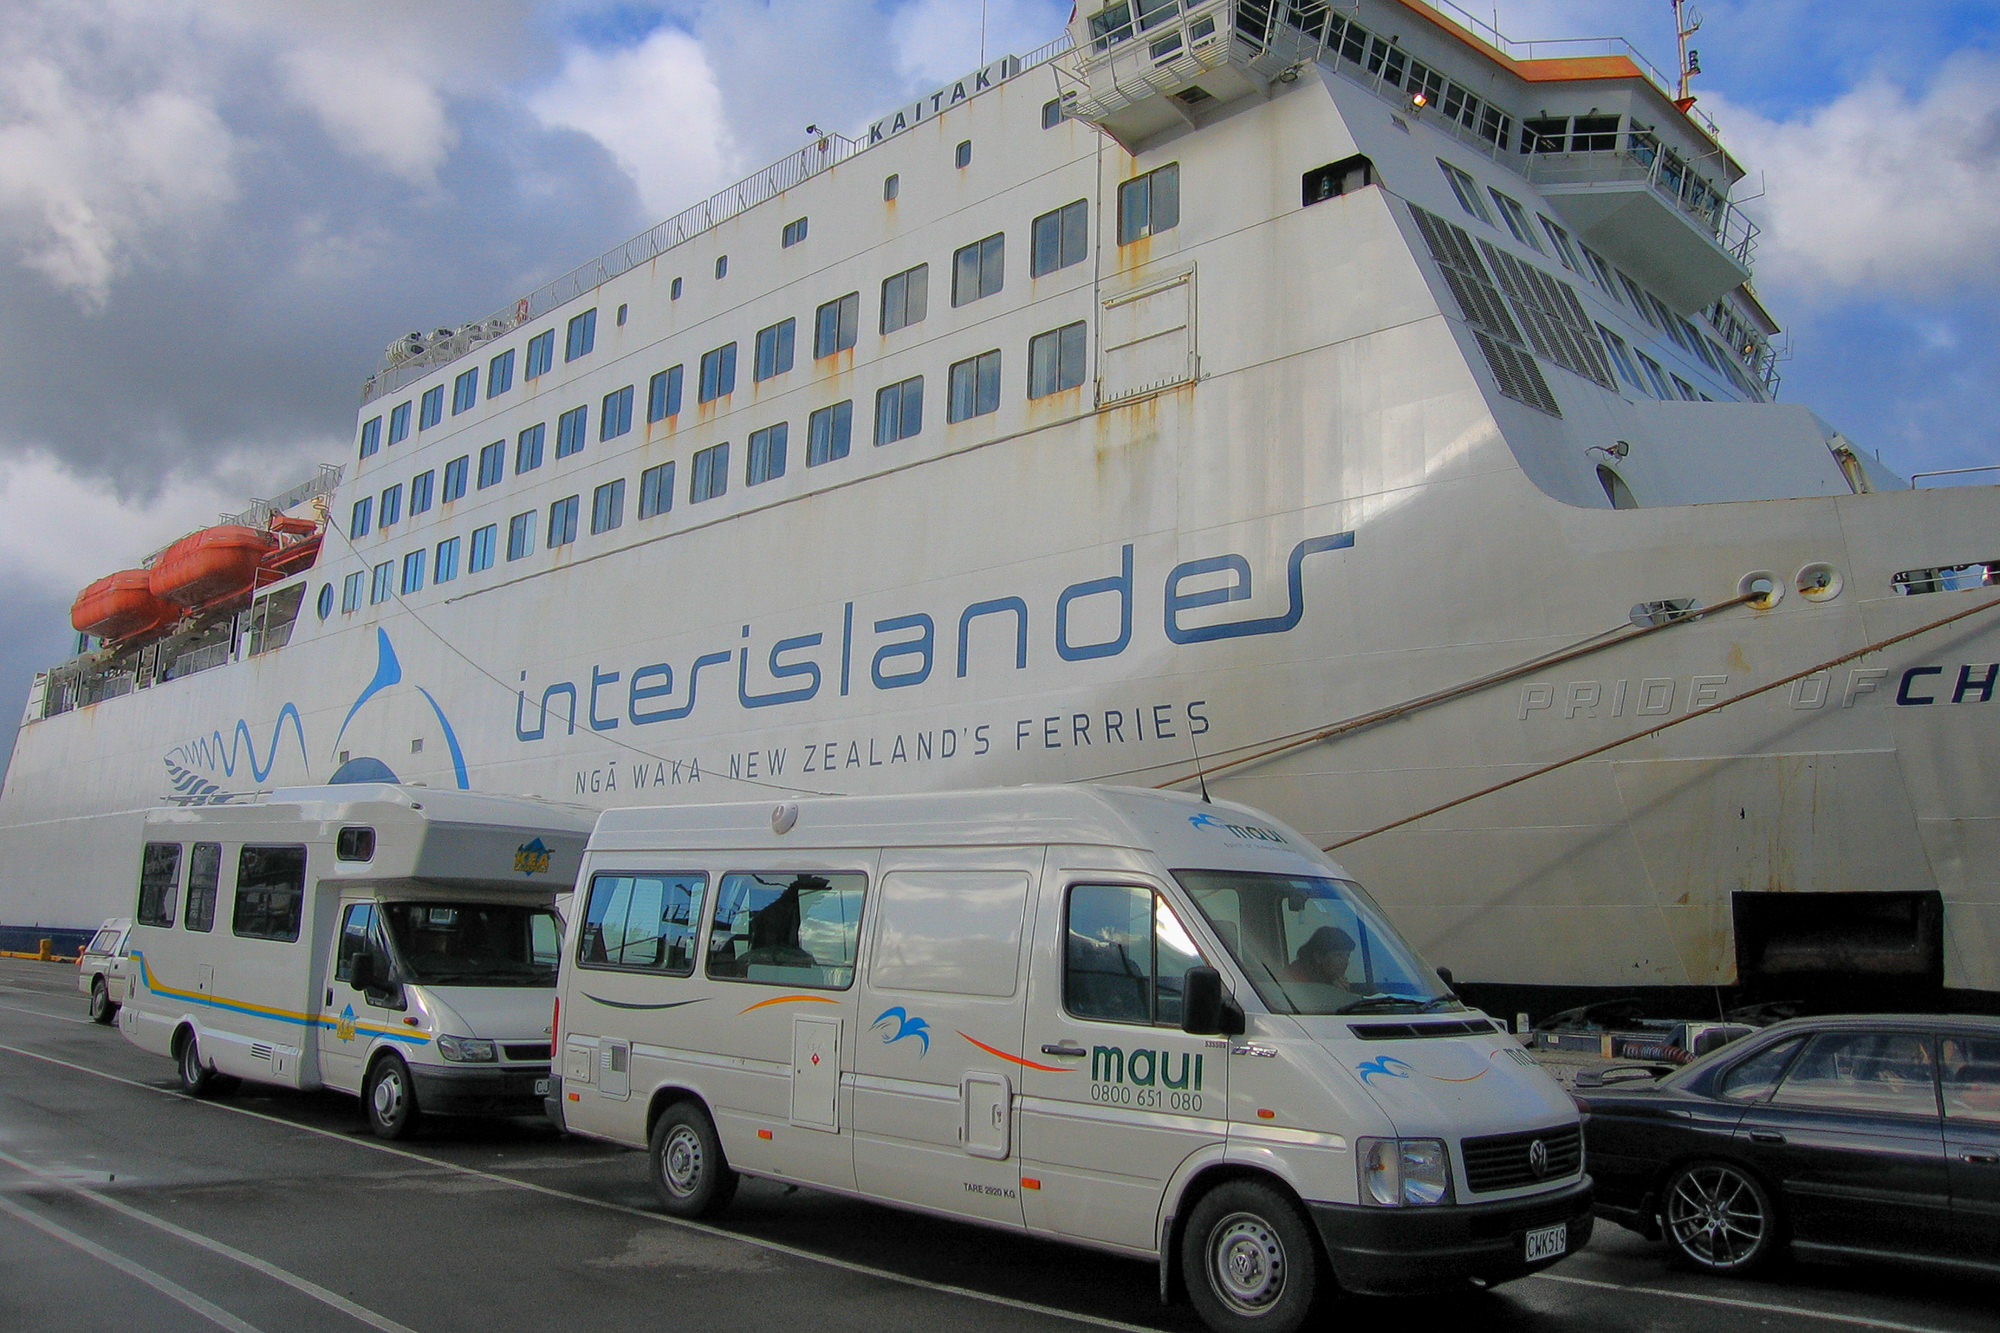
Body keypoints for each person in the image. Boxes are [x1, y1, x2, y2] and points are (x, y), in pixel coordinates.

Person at [1281, 925, 1357, 989]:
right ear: (1318, 957)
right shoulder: (1294, 979)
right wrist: (1330, 992)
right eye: (1338, 955)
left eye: (1347, 956)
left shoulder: (1329, 978)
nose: (1346, 962)